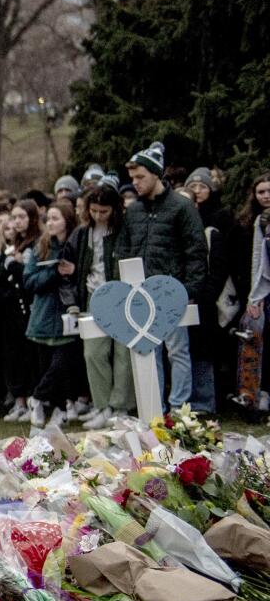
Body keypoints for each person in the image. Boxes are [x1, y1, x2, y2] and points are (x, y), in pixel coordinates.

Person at [115, 141, 207, 410]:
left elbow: (196, 250)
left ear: (156, 174)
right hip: (140, 293)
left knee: (177, 350)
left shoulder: (181, 207)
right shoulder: (133, 211)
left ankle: (180, 408)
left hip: (173, 290)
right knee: (148, 350)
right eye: (132, 178)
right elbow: (123, 250)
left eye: (140, 177)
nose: (136, 183)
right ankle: (154, 408)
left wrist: (190, 290)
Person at [61, 177, 134, 429]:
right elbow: (67, 270)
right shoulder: (81, 234)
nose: (99, 216)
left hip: (121, 295)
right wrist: (73, 302)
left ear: (115, 209)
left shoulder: (125, 229)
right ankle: (103, 406)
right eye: (94, 211)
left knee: (124, 352)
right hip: (92, 295)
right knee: (93, 352)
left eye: (104, 211)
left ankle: (121, 406)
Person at [184, 167, 234, 413]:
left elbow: (218, 268)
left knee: (204, 350)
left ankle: (206, 401)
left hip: (205, 301)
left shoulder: (213, 227)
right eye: (192, 187)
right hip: (185, 298)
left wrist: (205, 296)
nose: (197, 191)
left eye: (201, 186)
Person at [24, 200, 77, 427]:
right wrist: (54, 273)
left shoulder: (76, 242)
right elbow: (29, 280)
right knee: (48, 366)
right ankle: (58, 408)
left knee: (62, 364)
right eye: (49, 219)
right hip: (44, 314)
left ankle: (37, 398)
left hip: (69, 312)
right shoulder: (41, 247)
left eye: (56, 218)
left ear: (67, 220)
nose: (51, 223)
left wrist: (72, 271)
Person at [0, 200, 42, 422]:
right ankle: (20, 399)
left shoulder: (38, 242)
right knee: (14, 355)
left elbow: (28, 274)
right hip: (13, 306)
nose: (16, 222)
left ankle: (35, 400)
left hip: (31, 305)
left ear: (32, 218)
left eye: (21, 217)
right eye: (14, 218)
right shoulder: (17, 243)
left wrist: (16, 265)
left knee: (30, 354)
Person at [234, 172, 270, 411]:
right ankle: (257, 396)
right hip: (265, 290)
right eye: (261, 192)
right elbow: (258, 260)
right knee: (256, 336)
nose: (266, 196)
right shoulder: (259, 222)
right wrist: (253, 297)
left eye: (269, 191)